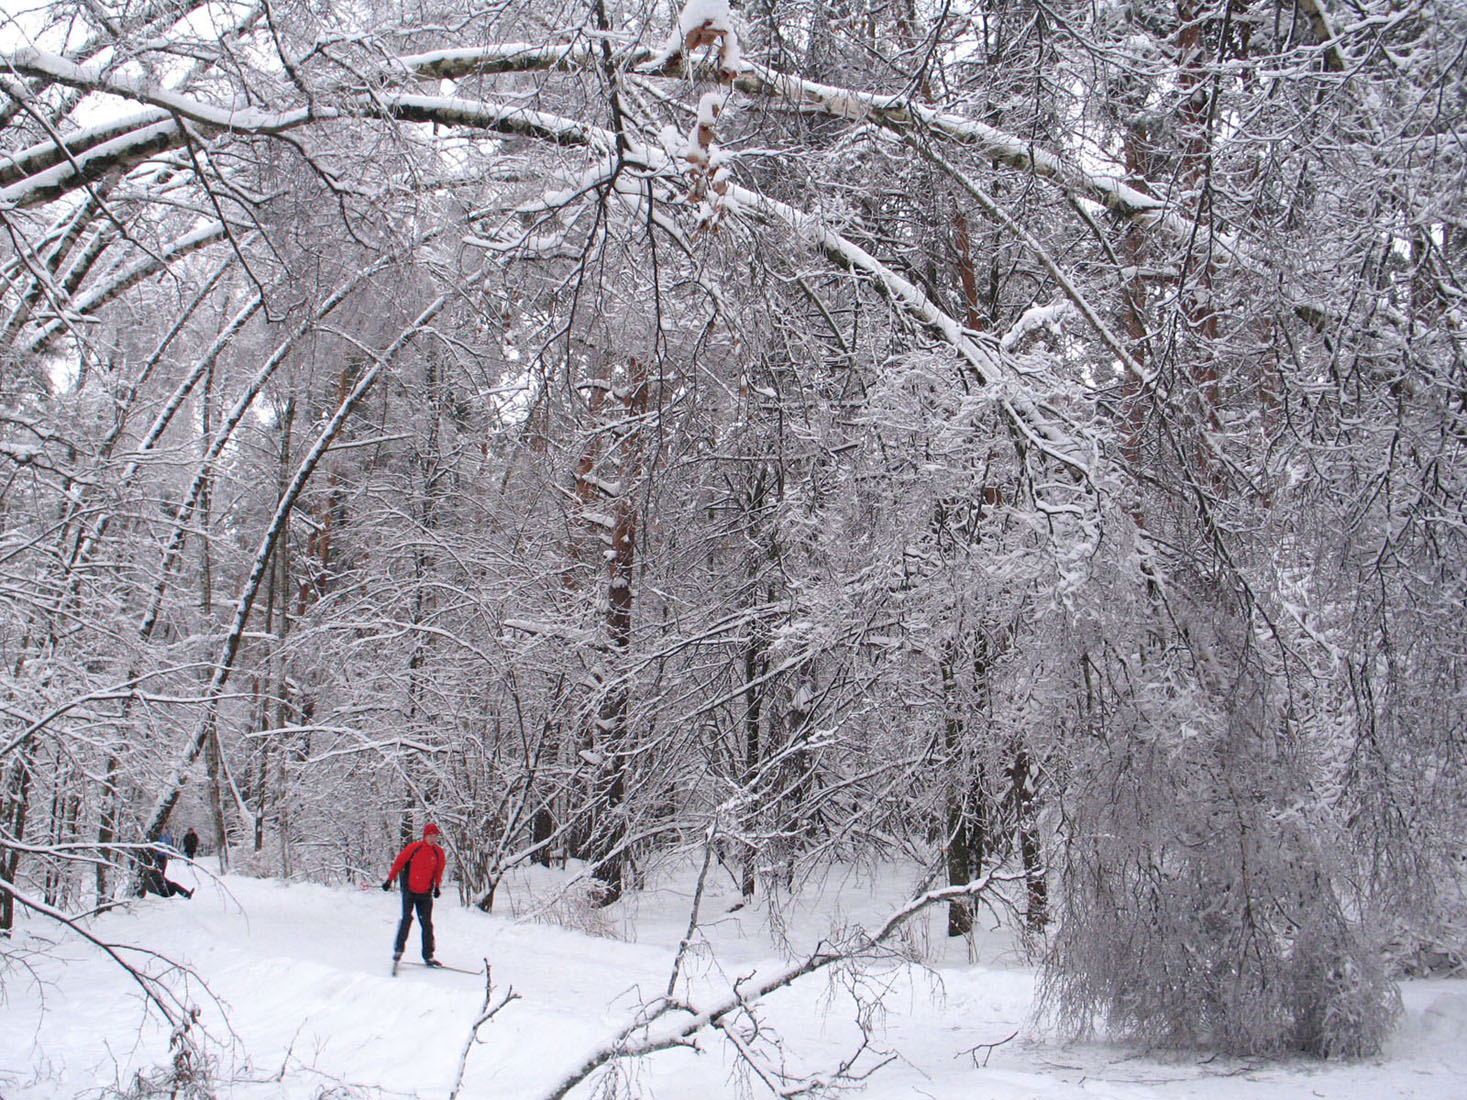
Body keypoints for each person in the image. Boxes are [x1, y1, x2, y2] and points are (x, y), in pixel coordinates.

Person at [382, 823, 446, 967]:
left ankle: (428, 955)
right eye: (430, 835)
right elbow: (399, 863)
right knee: (407, 919)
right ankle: (398, 951)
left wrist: (437, 887)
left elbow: (438, 871)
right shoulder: (414, 848)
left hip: (425, 893)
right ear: (425, 835)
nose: (433, 838)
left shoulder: (438, 852)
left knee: (427, 924)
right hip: (410, 890)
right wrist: (389, 880)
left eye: (435, 836)